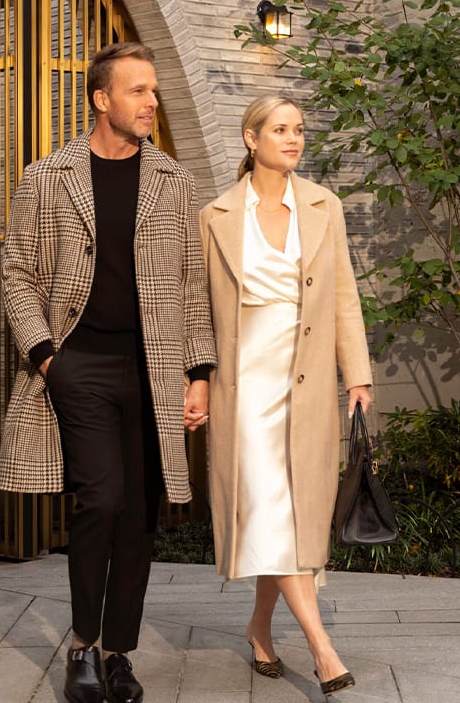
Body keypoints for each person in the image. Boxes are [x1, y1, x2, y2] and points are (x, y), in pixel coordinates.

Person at [0, 41, 216, 703]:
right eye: (138, 91)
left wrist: (196, 374)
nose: (152, 102)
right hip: (78, 365)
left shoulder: (172, 180)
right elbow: (18, 273)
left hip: (151, 370)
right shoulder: (47, 176)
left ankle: (120, 654)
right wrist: (47, 357)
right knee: (102, 499)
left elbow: (190, 284)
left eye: (154, 91)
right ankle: (83, 647)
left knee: (138, 517)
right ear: (101, 99)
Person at [200, 95, 372, 701]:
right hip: (244, 384)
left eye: (299, 129)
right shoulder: (216, 214)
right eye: (280, 129)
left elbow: (344, 295)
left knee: (292, 510)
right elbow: (199, 309)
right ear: (252, 138)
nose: (294, 139)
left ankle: (259, 627)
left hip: (307, 380)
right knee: (272, 506)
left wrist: (358, 376)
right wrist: (195, 380)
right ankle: (324, 650)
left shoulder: (326, 206)